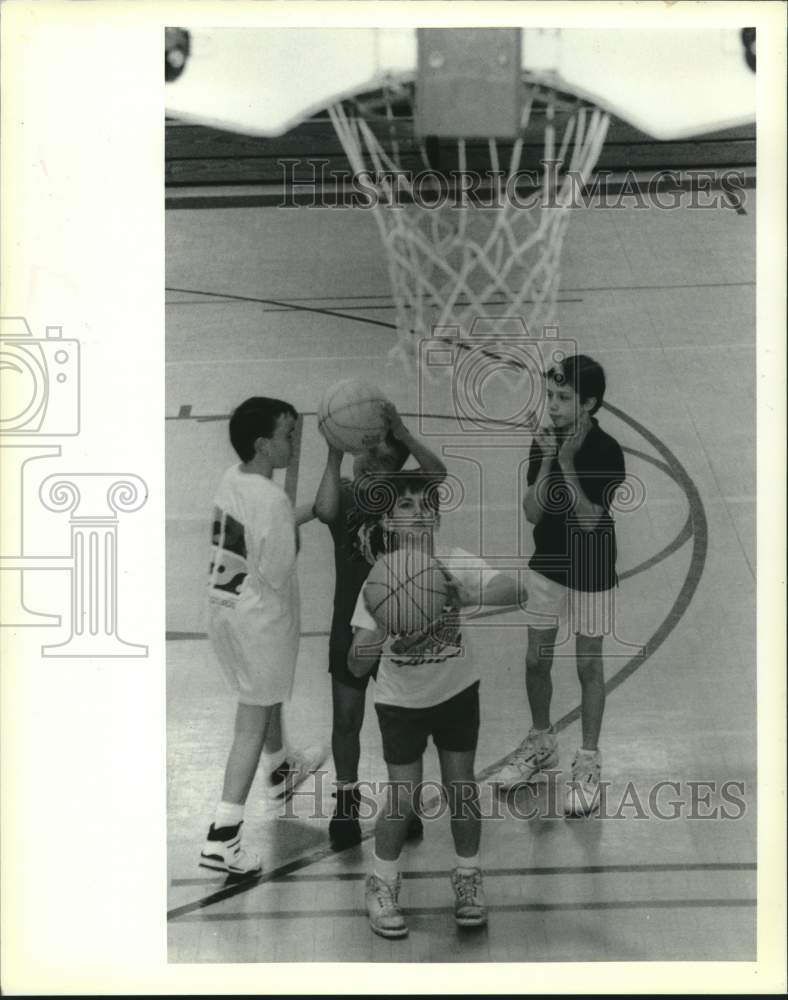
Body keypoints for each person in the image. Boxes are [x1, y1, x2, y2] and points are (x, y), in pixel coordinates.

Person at [349, 472, 528, 938]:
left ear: (438, 517)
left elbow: (516, 589)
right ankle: (382, 882)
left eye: (425, 505)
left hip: (456, 693)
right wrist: (384, 627)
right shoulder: (380, 581)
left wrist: (472, 594)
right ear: (388, 519)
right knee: (403, 796)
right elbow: (354, 663)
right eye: (405, 505)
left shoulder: (454, 562)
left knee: (461, 788)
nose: (417, 513)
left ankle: (468, 876)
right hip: (401, 703)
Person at [487, 355, 625, 816]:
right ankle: (541, 742)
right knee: (534, 660)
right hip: (547, 564)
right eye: (550, 395)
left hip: (591, 568)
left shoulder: (606, 450)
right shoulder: (543, 442)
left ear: (589, 403)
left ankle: (587, 760)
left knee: (588, 665)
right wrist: (548, 457)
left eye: (564, 398)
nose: (554, 405)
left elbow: (589, 521)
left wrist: (566, 460)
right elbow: (533, 511)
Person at [200, 396, 326, 876]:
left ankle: (281, 770)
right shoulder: (272, 499)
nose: (294, 442)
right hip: (258, 622)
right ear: (263, 444)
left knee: (264, 697)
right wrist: (295, 534)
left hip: (224, 611)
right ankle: (223, 835)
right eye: (288, 436)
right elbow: (277, 566)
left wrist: (304, 512)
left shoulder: (235, 478)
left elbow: (261, 528)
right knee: (250, 722)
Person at [314, 403, 446, 850]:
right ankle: (346, 802)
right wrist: (332, 455)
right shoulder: (347, 495)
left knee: (401, 727)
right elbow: (323, 507)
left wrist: (405, 434)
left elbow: (438, 474)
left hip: (403, 629)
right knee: (347, 718)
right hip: (349, 629)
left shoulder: (410, 497)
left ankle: (402, 803)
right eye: (363, 455)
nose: (370, 464)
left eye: (382, 458)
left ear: (396, 466)